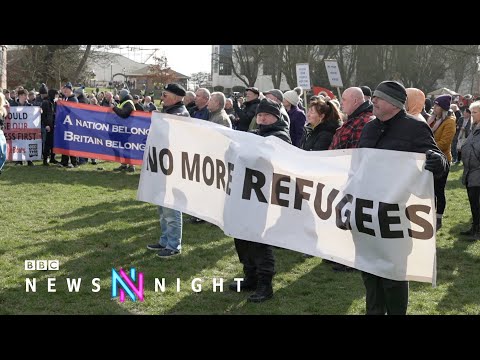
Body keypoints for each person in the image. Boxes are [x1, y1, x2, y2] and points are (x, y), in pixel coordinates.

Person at [358, 80, 448, 315]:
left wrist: (438, 162)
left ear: (395, 103)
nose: (373, 100)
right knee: (370, 272)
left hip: (396, 214)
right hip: (367, 213)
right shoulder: (369, 128)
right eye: (373, 96)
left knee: (394, 276)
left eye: (378, 97)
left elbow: (438, 161)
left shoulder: (415, 128)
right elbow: (357, 168)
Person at [229, 98, 291, 303]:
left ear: (276, 117)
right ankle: (250, 276)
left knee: (258, 240)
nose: (262, 118)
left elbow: (264, 158)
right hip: (246, 194)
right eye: (259, 115)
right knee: (241, 235)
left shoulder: (280, 136)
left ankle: (265, 284)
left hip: (265, 198)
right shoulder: (255, 135)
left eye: (266, 115)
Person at [147, 83, 190, 258]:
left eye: (165, 95)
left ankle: (174, 245)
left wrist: (159, 119)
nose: (162, 98)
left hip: (173, 168)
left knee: (172, 208)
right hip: (163, 164)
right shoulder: (169, 112)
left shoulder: (180, 114)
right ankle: (165, 240)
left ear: (175, 97)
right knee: (162, 207)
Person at [426, 94, 456, 231]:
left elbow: (445, 143)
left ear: (443, 108)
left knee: (439, 190)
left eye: (437, 105)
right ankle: (430, 214)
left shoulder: (449, 122)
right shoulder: (432, 119)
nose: (434, 107)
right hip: (430, 159)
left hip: (442, 160)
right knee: (430, 190)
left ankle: (438, 218)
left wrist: (426, 148)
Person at [460, 101, 480, 240]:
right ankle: (474, 227)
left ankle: (478, 232)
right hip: (470, 172)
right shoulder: (473, 127)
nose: (472, 115)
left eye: (475, 112)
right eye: (471, 112)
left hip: (478, 172)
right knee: (473, 203)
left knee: (478, 203)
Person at [112, 89, 136, 172]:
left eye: (120, 94)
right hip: (123, 128)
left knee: (127, 147)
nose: (119, 96)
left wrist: (114, 108)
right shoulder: (124, 102)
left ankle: (131, 165)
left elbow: (124, 114)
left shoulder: (128, 103)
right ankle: (124, 164)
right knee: (124, 147)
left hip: (127, 129)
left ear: (123, 95)